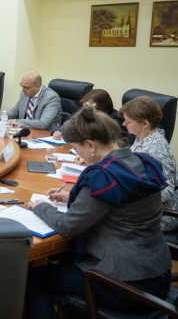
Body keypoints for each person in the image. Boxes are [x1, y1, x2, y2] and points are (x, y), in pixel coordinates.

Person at [26, 107, 172, 317]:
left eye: (76, 148)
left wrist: (41, 206)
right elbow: (121, 204)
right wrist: (73, 197)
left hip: (126, 285)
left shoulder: (102, 176)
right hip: (159, 273)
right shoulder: (141, 161)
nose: (77, 153)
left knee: (37, 279)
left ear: (91, 145)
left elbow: (67, 226)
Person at [121, 96, 178, 232]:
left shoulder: (155, 148)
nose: (123, 124)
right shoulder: (143, 138)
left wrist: (131, 194)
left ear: (145, 124)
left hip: (160, 215)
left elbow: (167, 191)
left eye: (128, 121)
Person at [52, 89, 130, 145]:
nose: (85, 111)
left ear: (101, 108)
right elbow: (73, 126)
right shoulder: (88, 114)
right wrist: (59, 132)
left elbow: (116, 144)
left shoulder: (116, 120)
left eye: (87, 107)